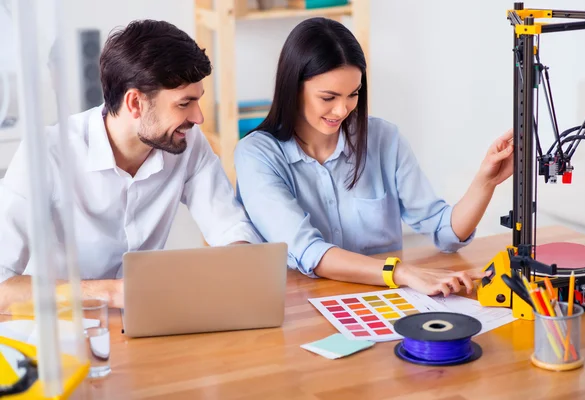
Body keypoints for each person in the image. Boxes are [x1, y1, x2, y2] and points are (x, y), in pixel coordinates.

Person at [234, 17, 514, 297]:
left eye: (353, 94)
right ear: (293, 88)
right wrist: (402, 272)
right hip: (301, 307)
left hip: (381, 301)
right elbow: (308, 251)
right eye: (328, 97)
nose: (342, 109)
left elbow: (445, 231)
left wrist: (485, 181)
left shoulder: (383, 138)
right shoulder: (256, 156)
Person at [0, 20, 262, 311]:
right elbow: (2, 287)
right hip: (64, 330)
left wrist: (239, 262)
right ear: (135, 103)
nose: (198, 117)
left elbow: (230, 228)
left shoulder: (187, 142)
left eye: (197, 101)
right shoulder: (45, 153)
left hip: (147, 322)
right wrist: (111, 293)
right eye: (184, 103)